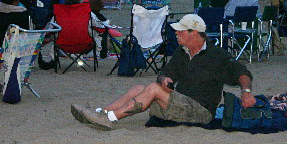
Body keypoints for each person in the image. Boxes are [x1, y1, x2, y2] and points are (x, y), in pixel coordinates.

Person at [70, 14, 255, 131]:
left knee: (152, 89)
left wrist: (246, 93)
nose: (176, 34)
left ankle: (110, 119)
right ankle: (101, 112)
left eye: (180, 31)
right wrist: (165, 78)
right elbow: (165, 73)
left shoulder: (217, 55)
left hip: (200, 111)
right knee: (138, 88)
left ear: (193, 33)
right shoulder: (182, 53)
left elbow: (242, 72)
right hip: (179, 103)